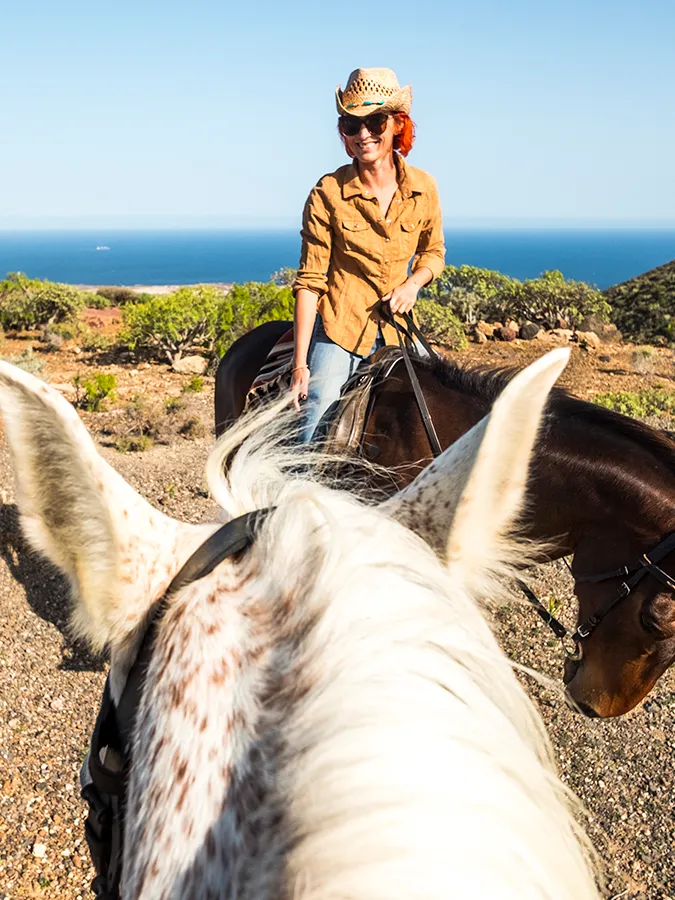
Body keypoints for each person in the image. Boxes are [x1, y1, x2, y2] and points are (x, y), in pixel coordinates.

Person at [290, 67, 446, 442]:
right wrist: (300, 367)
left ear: (396, 124)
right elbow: (310, 282)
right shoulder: (327, 193)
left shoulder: (424, 188)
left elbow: (434, 253)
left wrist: (412, 285)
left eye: (374, 121)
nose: (364, 134)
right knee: (317, 421)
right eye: (351, 124)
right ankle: (295, 493)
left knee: (442, 414)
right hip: (343, 330)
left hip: (398, 330)